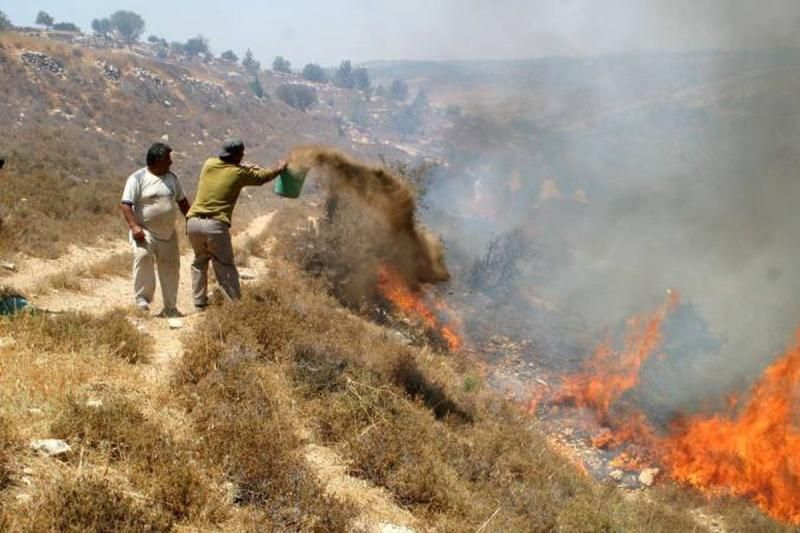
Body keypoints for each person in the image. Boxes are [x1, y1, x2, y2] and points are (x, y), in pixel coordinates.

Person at [187, 138, 286, 309]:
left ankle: (199, 304)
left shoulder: (209, 164)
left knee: (199, 262)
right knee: (224, 265)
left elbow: (232, 168)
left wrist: (243, 165)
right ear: (238, 155)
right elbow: (263, 177)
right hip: (215, 225)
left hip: (193, 222)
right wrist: (279, 168)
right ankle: (235, 308)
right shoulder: (239, 173)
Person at [119, 143, 190, 316]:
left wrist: (191, 220)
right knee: (143, 257)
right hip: (145, 231)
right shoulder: (137, 178)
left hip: (168, 233)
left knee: (171, 267)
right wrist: (134, 226)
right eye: (167, 159)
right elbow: (126, 205)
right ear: (157, 161)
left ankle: (170, 307)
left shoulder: (172, 178)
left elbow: (182, 201)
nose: (171, 163)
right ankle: (142, 300)